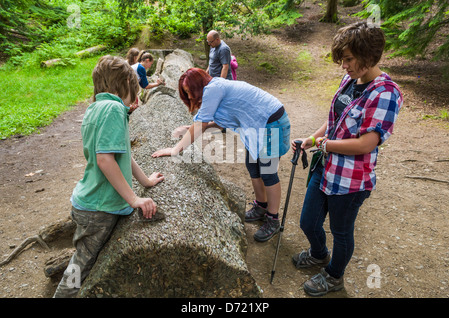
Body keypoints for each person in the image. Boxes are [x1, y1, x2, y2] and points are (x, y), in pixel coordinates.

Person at [291, 22, 403, 296]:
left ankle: (334, 275)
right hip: (326, 167)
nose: (343, 65)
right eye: (342, 59)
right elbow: (334, 122)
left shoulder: (385, 92)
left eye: (349, 59)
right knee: (308, 221)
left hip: (352, 180)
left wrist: (325, 145)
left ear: (368, 55)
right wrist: (312, 139)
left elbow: (367, 143)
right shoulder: (350, 79)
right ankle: (319, 254)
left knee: (341, 233)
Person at [53, 55, 164, 298]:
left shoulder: (96, 107)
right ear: (127, 81)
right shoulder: (113, 108)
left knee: (84, 259)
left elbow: (120, 153)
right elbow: (105, 160)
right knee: (81, 264)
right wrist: (134, 199)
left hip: (90, 200)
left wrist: (145, 181)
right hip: (98, 208)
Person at [151, 68, 291, 242]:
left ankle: (273, 218)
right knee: (253, 167)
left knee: (268, 173)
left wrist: (174, 150)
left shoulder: (213, 89)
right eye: (186, 93)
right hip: (255, 125)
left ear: (199, 85)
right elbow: (217, 122)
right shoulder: (214, 88)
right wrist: (194, 128)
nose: (190, 96)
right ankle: (261, 206)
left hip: (271, 122)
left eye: (189, 91)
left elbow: (200, 125)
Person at [127, 49, 165, 113]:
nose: (150, 67)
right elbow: (145, 86)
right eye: (151, 64)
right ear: (147, 60)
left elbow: (143, 84)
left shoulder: (137, 66)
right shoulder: (141, 68)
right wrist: (157, 84)